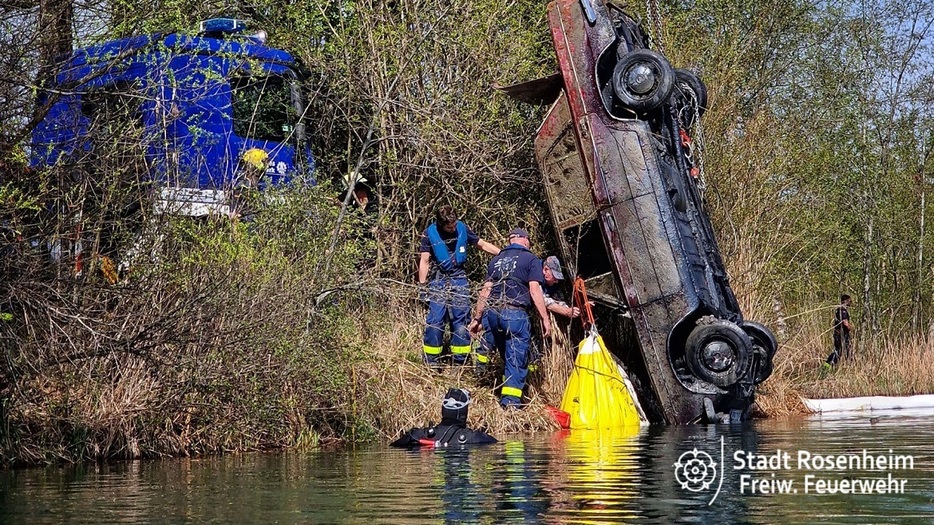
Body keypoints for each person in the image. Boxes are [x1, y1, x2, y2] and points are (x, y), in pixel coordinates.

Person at [469, 228, 552, 408]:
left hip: (493, 315)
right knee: (515, 359)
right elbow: (534, 290)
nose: (529, 243)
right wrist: (545, 318)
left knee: (506, 356)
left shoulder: (496, 260)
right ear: (522, 239)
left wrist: (477, 318)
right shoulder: (530, 259)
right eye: (528, 239)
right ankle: (511, 405)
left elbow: (485, 291)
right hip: (515, 314)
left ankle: (501, 392)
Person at [418, 205, 500, 367]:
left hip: (459, 278)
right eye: (450, 226)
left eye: (455, 224)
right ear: (441, 224)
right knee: (435, 320)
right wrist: (422, 286)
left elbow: (481, 244)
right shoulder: (430, 233)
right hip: (438, 279)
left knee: (461, 320)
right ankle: (432, 362)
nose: (453, 228)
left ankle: (460, 362)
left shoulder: (462, 228)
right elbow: (424, 261)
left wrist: (504, 253)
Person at [389, 388, 497, 447]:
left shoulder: (418, 435)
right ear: (464, 411)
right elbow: (496, 444)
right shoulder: (474, 438)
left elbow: (393, 446)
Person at [825, 294, 853, 367]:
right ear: (846, 301)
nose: (851, 303)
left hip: (838, 334)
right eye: (850, 301)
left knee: (839, 351)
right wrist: (851, 328)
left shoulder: (838, 310)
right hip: (841, 334)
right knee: (843, 351)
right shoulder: (842, 311)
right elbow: (845, 323)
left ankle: (828, 365)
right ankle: (829, 364)